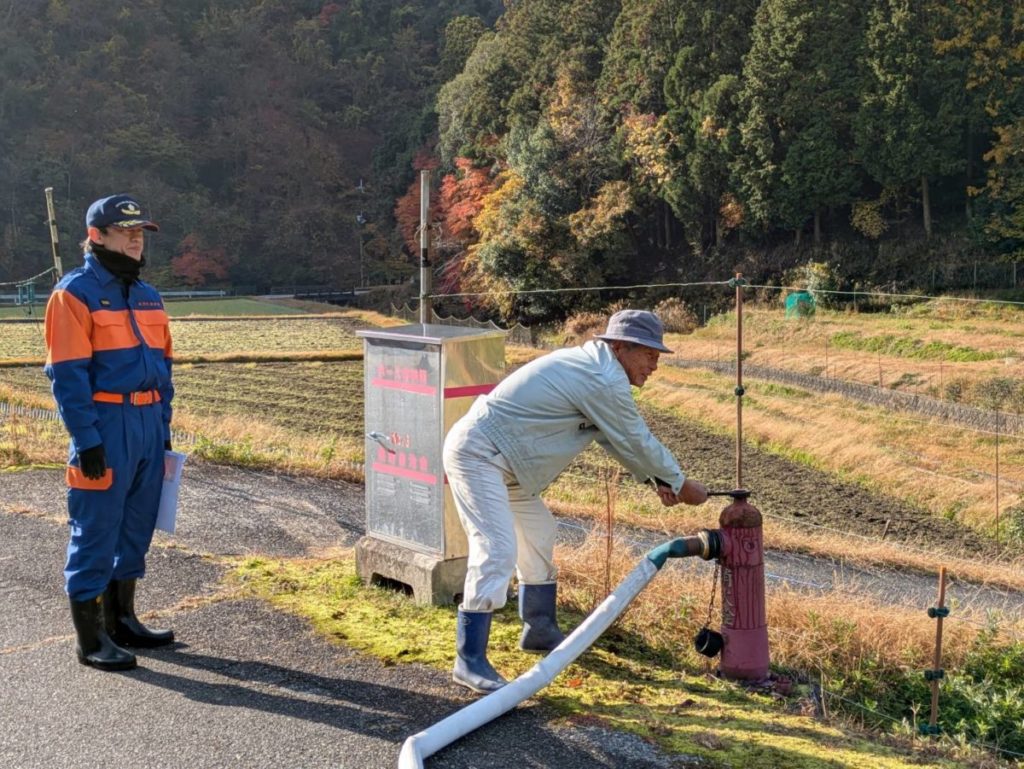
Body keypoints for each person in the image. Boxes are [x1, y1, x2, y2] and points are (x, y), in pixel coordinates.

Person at [442, 309, 708, 693]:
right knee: (497, 549)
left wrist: (657, 480)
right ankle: (469, 660)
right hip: (480, 454)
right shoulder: (601, 377)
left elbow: (613, 439)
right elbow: (635, 438)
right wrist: (681, 483)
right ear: (619, 347)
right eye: (649, 355)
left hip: (510, 463)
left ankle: (540, 630)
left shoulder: (598, 371)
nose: (654, 366)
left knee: (539, 533)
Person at [44, 194, 176, 671]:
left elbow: (164, 369)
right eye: (126, 231)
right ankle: (91, 637)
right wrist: (87, 440)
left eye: (141, 231)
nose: (137, 238)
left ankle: (123, 620)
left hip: (146, 420)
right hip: (106, 423)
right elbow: (68, 375)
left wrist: (163, 433)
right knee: (96, 529)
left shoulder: (147, 294)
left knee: (137, 525)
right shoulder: (74, 294)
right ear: (96, 236)